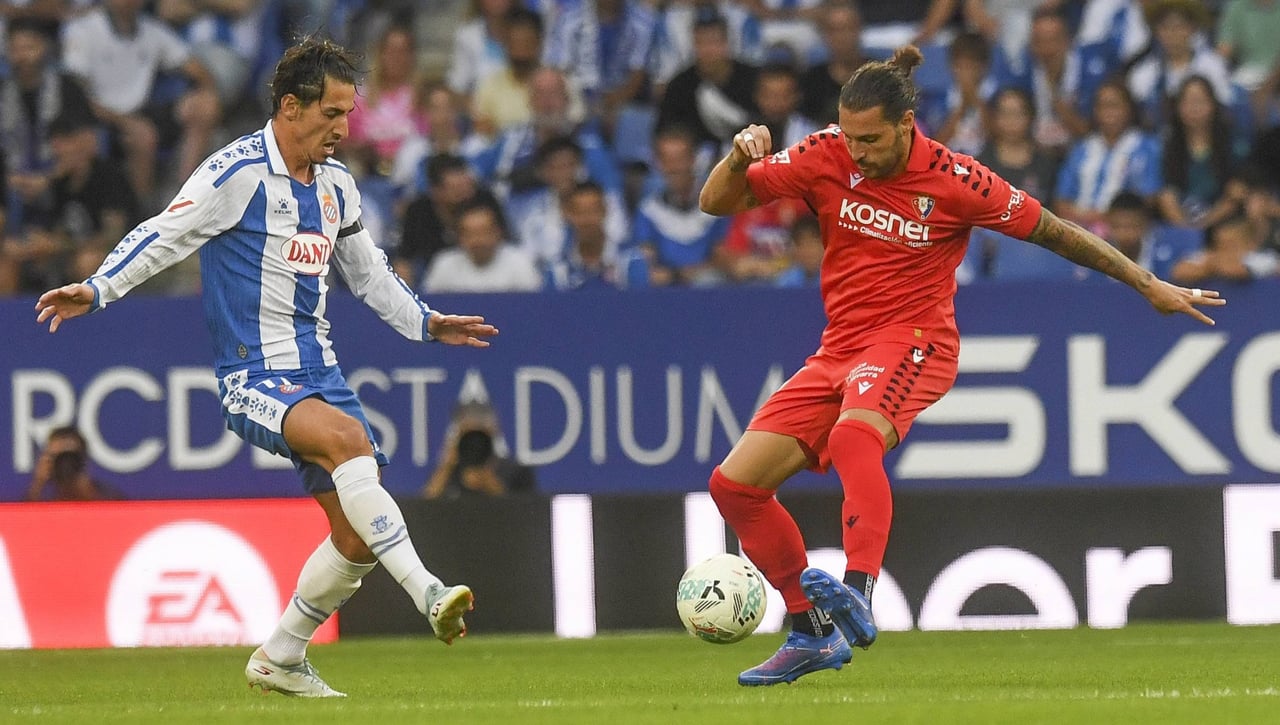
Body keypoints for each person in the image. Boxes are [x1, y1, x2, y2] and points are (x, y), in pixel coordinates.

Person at [696, 45, 1224, 687]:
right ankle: (810, 630)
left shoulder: (958, 180)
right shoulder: (825, 152)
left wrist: (1147, 283)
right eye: (849, 136)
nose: (855, 152)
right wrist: (737, 156)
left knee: (853, 435)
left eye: (869, 139)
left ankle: (858, 592)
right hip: (839, 350)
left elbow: (1056, 231)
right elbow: (715, 203)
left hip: (915, 341)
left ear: (905, 124)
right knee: (735, 487)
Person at [33, 36, 499, 698]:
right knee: (350, 442)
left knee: (355, 537)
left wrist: (424, 322)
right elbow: (164, 232)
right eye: (333, 113)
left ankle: (281, 654)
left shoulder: (337, 185)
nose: (344, 129)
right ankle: (428, 591)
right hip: (254, 377)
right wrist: (100, 287)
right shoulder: (236, 174)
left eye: (348, 114)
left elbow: (370, 276)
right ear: (290, 106)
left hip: (323, 373)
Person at [422, 401, 538, 500]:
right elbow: (424, 507)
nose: (475, 443)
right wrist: (447, 465)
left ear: (493, 433)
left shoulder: (517, 472)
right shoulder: (447, 473)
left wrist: (488, 482)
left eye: (480, 436)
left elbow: (523, 513)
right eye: (469, 436)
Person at [23, 425, 125, 502]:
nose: (65, 463)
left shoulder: (109, 498)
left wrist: (86, 491)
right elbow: (21, 524)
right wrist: (38, 484)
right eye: (57, 457)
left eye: (70, 457)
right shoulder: (43, 498)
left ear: (83, 459)